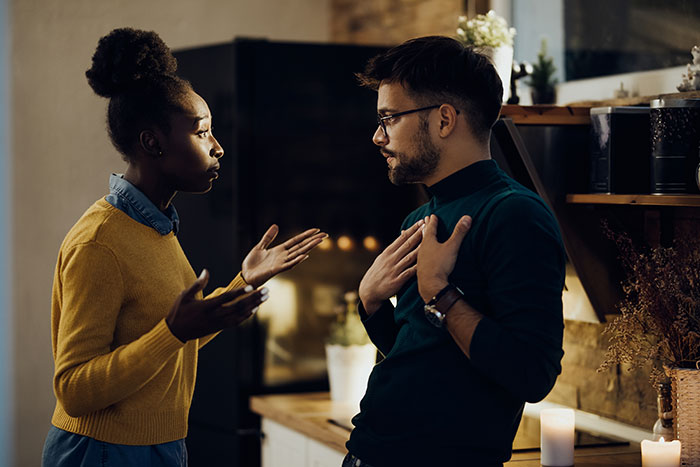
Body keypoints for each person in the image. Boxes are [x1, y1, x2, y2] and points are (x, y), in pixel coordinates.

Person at [41, 28, 326, 467]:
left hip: (162, 446)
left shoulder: (157, 227)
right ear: (152, 143)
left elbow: (178, 334)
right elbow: (75, 390)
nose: (218, 147)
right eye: (202, 132)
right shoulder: (99, 243)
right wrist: (171, 332)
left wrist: (243, 283)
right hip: (103, 452)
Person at [345, 36, 566, 467]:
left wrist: (439, 292)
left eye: (388, 118)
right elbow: (423, 356)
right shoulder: (419, 221)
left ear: (444, 119)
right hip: (367, 453)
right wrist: (371, 304)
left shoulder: (515, 215)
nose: (377, 136)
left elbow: (532, 374)